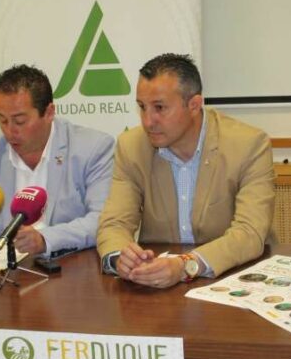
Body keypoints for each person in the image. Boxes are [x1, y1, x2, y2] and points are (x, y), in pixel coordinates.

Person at [96, 54, 275, 289]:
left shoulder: (248, 145)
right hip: (156, 285)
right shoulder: (131, 147)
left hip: (234, 280)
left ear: (194, 105)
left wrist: (186, 265)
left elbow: (249, 233)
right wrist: (121, 257)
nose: (148, 121)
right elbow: (114, 223)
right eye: (142, 107)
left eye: (159, 108)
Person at [0, 65, 114, 261]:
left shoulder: (92, 149)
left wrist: (45, 239)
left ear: (49, 113)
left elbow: (101, 219)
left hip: (68, 265)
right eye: (2, 120)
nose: (9, 131)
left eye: (20, 121)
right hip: (3, 267)